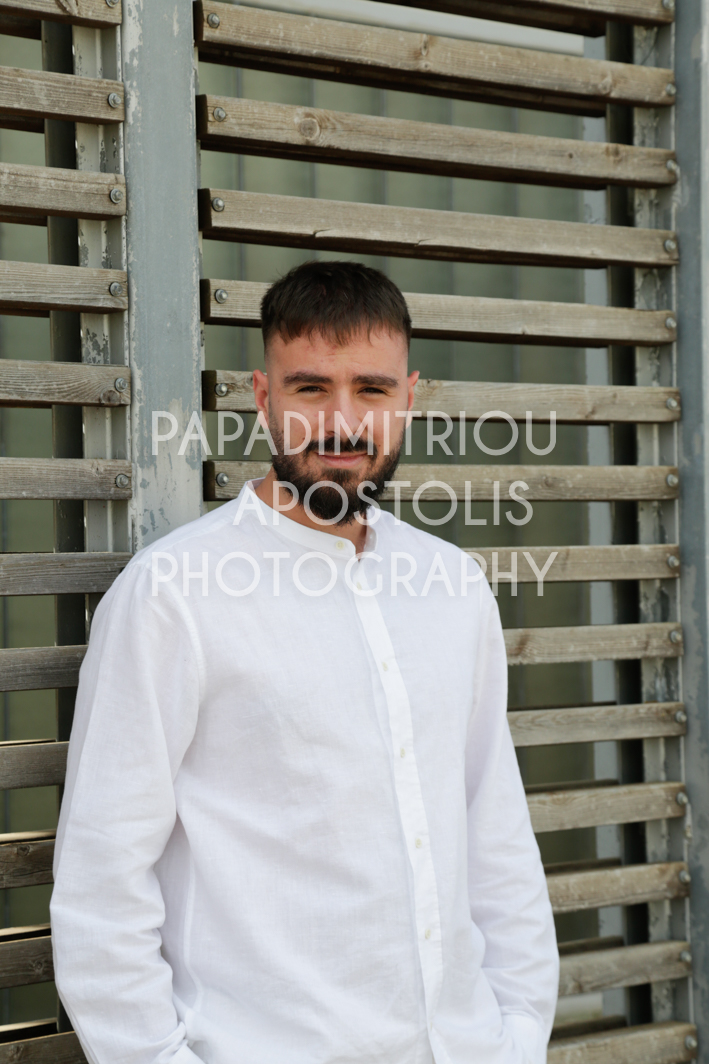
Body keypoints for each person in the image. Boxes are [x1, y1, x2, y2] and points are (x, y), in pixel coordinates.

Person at [51, 261, 559, 1064]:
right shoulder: (172, 595)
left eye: (371, 389)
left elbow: (493, 834)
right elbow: (101, 882)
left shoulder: (452, 585)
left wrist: (519, 1031)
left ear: (408, 398)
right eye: (311, 389)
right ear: (263, 398)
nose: (342, 422)